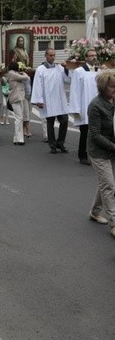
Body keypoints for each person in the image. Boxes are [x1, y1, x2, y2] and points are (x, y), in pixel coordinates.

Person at [87, 69, 115, 235]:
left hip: (111, 149)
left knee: (106, 183)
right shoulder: (96, 105)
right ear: (103, 88)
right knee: (110, 186)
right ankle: (113, 222)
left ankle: (95, 212)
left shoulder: (113, 102)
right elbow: (95, 134)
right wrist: (113, 146)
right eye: (112, 87)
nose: (114, 90)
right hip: (98, 151)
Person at [31, 48, 70, 154]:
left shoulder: (59, 68)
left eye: (54, 55)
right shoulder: (40, 69)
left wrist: (66, 68)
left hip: (60, 99)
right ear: (46, 56)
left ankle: (60, 142)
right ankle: (52, 145)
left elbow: (67, 79)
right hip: (48, 100)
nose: (53, 57)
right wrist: (39, 100)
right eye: (51, 55)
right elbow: (37, 85)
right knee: (50, 122)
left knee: (64, 120)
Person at [69, 48, 99, 165]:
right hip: (84, 106)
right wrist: (76, 108)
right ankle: (82, 155)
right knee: (85, 132)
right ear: (86, 58)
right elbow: (75, 91)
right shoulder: (79, 71)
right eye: (91, 55)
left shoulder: (99, 71)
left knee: (96, 132)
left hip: (96, 107)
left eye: (95, 55)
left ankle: (95, 154)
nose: (94, 57)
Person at [7, 61, 30, 145]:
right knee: (19, 118)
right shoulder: (12, 74)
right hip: (15, 98)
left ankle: (16, 138)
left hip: (20, 97)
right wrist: (24, 73)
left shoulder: (13, 74)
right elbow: (26, 78)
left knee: (19, 118)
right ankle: (19, 139)